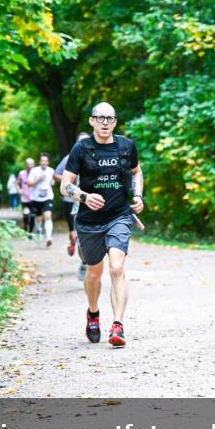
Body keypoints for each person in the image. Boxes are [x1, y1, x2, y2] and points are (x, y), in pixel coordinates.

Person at [59, 102, 144, 347]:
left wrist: (137, 196)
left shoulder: (126, 146)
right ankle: (93, 313)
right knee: (94, 274)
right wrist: (85, 197)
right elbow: (65, 185)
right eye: (100, 118)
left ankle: (118, 325)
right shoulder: (81, 148)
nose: (105, 122)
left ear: (115, 122)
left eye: (110, 118)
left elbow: (136, 172)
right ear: (92, 121)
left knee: (117, 267)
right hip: (88, 221)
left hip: (118, 216)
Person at [54, 133, 91, 277]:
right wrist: (68, 180)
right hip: (73, 202)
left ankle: (90, 261)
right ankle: (84, 262)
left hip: (95, 203)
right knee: (78, 237)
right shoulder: (69, 158)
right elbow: (57, 175)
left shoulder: (97, 156)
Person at [28, 153, 56, 246]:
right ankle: (38, 231)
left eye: (45, 161)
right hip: (36, 198)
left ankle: (49, 238)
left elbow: (53, 181)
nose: (44, 162)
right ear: (39, 162)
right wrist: (38, 179)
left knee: (48, 216)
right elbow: (29, 184)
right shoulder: (34, 171)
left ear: (48, 162)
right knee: (39, 219)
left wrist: (53, 182)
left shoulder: (51, 171)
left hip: (48, 197)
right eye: (42, 161)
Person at [16, 157, 35, 234]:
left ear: (33, 165)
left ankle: (30, 232)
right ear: (26, 165)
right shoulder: (21, 173)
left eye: (31, 164)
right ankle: (25, 227)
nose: (30, 166)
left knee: (33, 216)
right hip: (24, 198)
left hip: (34, 198)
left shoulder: (35, 173)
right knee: (26, 215)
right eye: (28, 164)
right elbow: (17, 183)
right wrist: (19, 190)